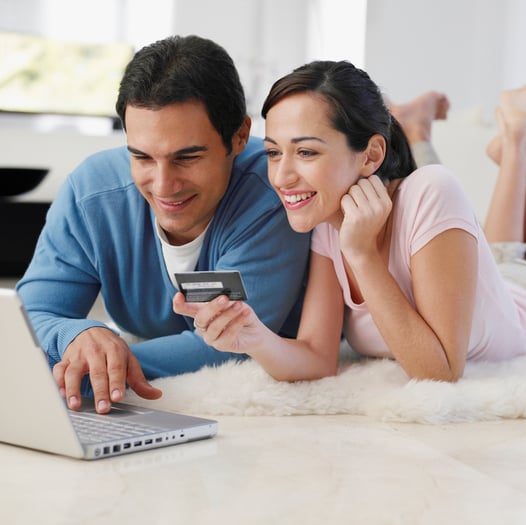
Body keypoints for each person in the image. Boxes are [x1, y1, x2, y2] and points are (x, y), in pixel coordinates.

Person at [173, 60, 526, 383]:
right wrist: (252, 336)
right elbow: (316, 357)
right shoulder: (324, 218)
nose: (282, 176)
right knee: (501, 256)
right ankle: (493, 147)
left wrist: (362, 255)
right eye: (273, 152)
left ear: (370, 155)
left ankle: (516, 146)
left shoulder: (430, 191)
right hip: (496, 290)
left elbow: (440, 372)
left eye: (306, 151)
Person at [16, 35, 310, 413]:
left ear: (238, 137)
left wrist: (106, 365)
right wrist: (79, 335)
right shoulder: (91, 193)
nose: (163, 184)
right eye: (141, 156)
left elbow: (228, 341)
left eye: (187, 158)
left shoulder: (274, 191)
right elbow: (27, 320)